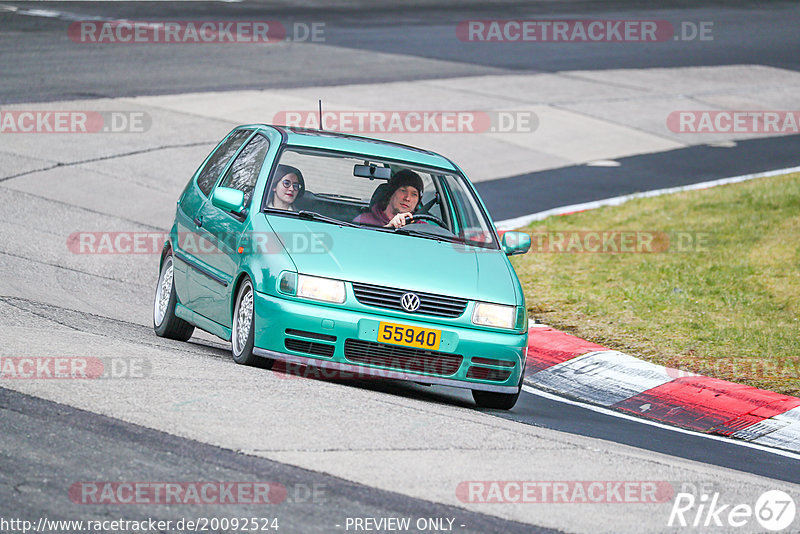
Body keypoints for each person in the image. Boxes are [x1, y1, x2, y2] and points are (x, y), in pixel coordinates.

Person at [354, 169, 424, 228]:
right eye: (403, 190)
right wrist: (389, 228)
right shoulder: (364, 220)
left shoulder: (422, 227)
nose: (407, 198)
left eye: (414, 194)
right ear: (391, 193)